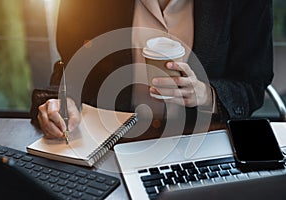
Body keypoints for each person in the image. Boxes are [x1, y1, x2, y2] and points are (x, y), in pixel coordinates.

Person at [36, 0, 274, 140]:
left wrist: (208, 95)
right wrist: (62, 101)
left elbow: (252, 81)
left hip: (199, 140)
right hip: (109, 140)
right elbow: (71, 61)